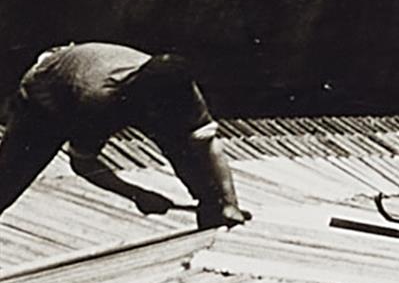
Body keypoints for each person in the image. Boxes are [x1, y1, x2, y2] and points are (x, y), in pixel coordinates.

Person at [1, 44, 248, 232]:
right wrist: (137, 194)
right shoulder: (98, 101)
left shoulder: (182, 91)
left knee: (186, 147)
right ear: (147, 102)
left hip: (97, 68)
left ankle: (215, 215)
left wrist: (229, 202)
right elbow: (84, 164)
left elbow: (208, 144)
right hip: (47, 92)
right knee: (10, 177)